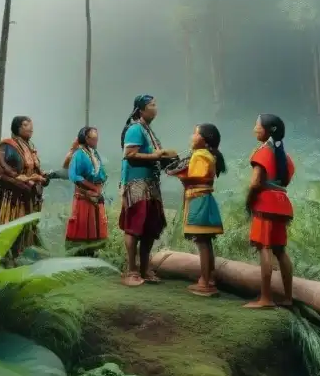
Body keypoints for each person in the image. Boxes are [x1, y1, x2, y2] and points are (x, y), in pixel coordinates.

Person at [119, 94, 178, 286]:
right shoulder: (135, 129)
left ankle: (144, 268)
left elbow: (153, 156)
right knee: (134, 226)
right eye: (152, 104)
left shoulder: (148, 130)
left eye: (155, 104)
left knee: (150, 227)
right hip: (136, 182)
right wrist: (158, 155)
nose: (156, 107)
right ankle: (131, 270)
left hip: (151, 184)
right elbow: (129, 155)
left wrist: (166, 160)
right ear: (141, 110)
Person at [166, 123, 226, 296]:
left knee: (202, 242)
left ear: (204, 139)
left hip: (198, 200)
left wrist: (176, 170)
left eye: (195, 133)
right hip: (203, 199)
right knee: (205, 242)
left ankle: (206, 283)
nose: (192, 136)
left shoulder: (200, 155)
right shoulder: (206, 154)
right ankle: (208, 279)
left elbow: (194, 176)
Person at [244, 114, 295, 309]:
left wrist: (249, 201)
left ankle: (266, 298)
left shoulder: (264, 152)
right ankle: (288, 298)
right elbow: (285, 180)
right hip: (282, 203)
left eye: (257, 125)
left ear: (268, 130)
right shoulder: (284, 155)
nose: (255, 128)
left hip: (265, 202)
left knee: (264, 247)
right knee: (280, 250)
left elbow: (256, 182)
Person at [0, 115, 49, 261]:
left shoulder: (30, 147)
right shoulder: (7, 145)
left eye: (31, 124)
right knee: (11, 227)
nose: (30, 127)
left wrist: (42, 177)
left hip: (28, 195)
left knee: (26, 228)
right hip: (12, 197)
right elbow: (1, 171)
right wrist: (24, 181)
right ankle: (6, 258)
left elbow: (35, 169)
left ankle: (19, 257)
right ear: (17, 127)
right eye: (25, 125)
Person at [65, 126, 108, 255]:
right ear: (85, 138)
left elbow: (101, 174)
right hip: (84, 198)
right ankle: (78, 259)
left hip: (96, 196)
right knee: (82, 229)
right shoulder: (78, 154)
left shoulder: (95, 153)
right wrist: (91, 189)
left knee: (96, 230)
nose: (96, 141)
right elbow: (75, 176)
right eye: (93, 138)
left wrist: (99, 189)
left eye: (97, 138)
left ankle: (93, 257)